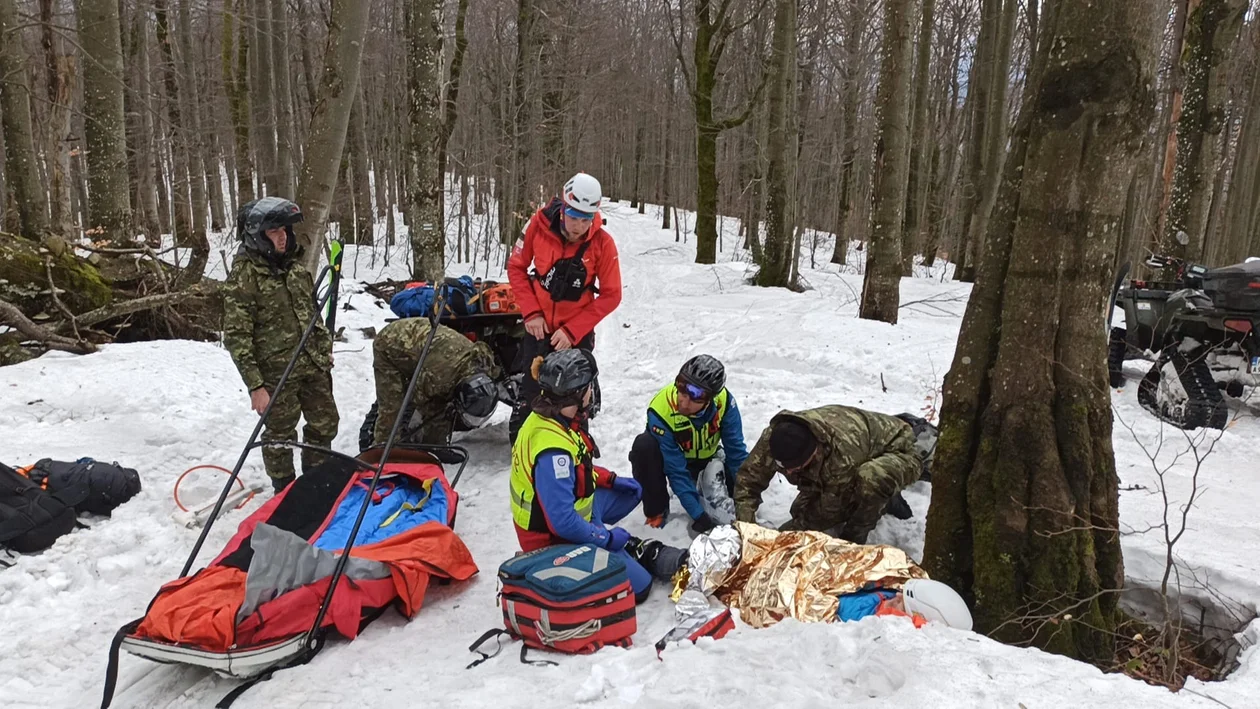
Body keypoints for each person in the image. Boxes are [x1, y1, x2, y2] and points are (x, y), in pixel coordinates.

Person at [509, 350, 668, 603]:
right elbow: (562, 521)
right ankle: (609, 547)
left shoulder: (554, 418)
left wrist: (610, 479)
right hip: (553, 540)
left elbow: (575, 472)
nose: (592, 392)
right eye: (588, 388)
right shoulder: (553, 452)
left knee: (630, 494)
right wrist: (605, 537)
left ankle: (602, 534)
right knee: (640, 587)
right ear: (576, 393)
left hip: (570, 510)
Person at [223, 197, 339, 493]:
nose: (283, 236)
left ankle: (316, 482)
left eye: (285, 230)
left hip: (311, 363)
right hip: (276, 373)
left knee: (325, 423)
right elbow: (237, 336)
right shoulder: (245, 277)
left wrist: (324, 347)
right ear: (258, 235)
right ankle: (284, 491)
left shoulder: (296, 269)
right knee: (279, 437)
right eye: (274, 232)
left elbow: (311, 314)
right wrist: (255, 386)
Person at [506, 172, 622, 443]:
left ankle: (575, 449)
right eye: (573, 215)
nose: (578, 225)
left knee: (574, 397)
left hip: (576, 331)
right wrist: (531, 313)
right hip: (539, 327)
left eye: (586, 218)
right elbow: (517, 267)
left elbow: (611, 295)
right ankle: (526, 448)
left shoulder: (603, 243)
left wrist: (572, 331)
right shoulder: (538, 225)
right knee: (532, 391)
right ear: (563, 206)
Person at [734, 405, 921, 543]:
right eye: (783, 467)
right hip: (861, 447)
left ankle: (887, 498)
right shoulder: (775, 438)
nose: (788, 472)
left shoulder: (841, 459)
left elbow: (825, 512)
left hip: (901, 450)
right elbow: (748, 481)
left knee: (871, 481)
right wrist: (748, 530)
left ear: (814, 453)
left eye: (795, 468)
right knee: (799, 511)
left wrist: (849, 542)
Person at [629, 355, 748, 534]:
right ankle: (657, 510)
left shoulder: (725, 402)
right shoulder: (661, 410)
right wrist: (698, 515)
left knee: (739, 490)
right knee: (644, 446)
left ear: (710, 399)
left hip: (709, 456)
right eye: (681, 391)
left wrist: (744, 497)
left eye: (694, 397)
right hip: (674, 459)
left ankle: (708, 481)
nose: (683, 402)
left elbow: (736, 452)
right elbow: (675, 470)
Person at [369, 317, 503, 447]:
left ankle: (434, 445)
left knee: (442, 404)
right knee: (393, 404)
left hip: (425, 343)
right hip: (390, 344)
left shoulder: (483, 365)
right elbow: (418, 400)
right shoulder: (438, 378)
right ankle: (383, 447)